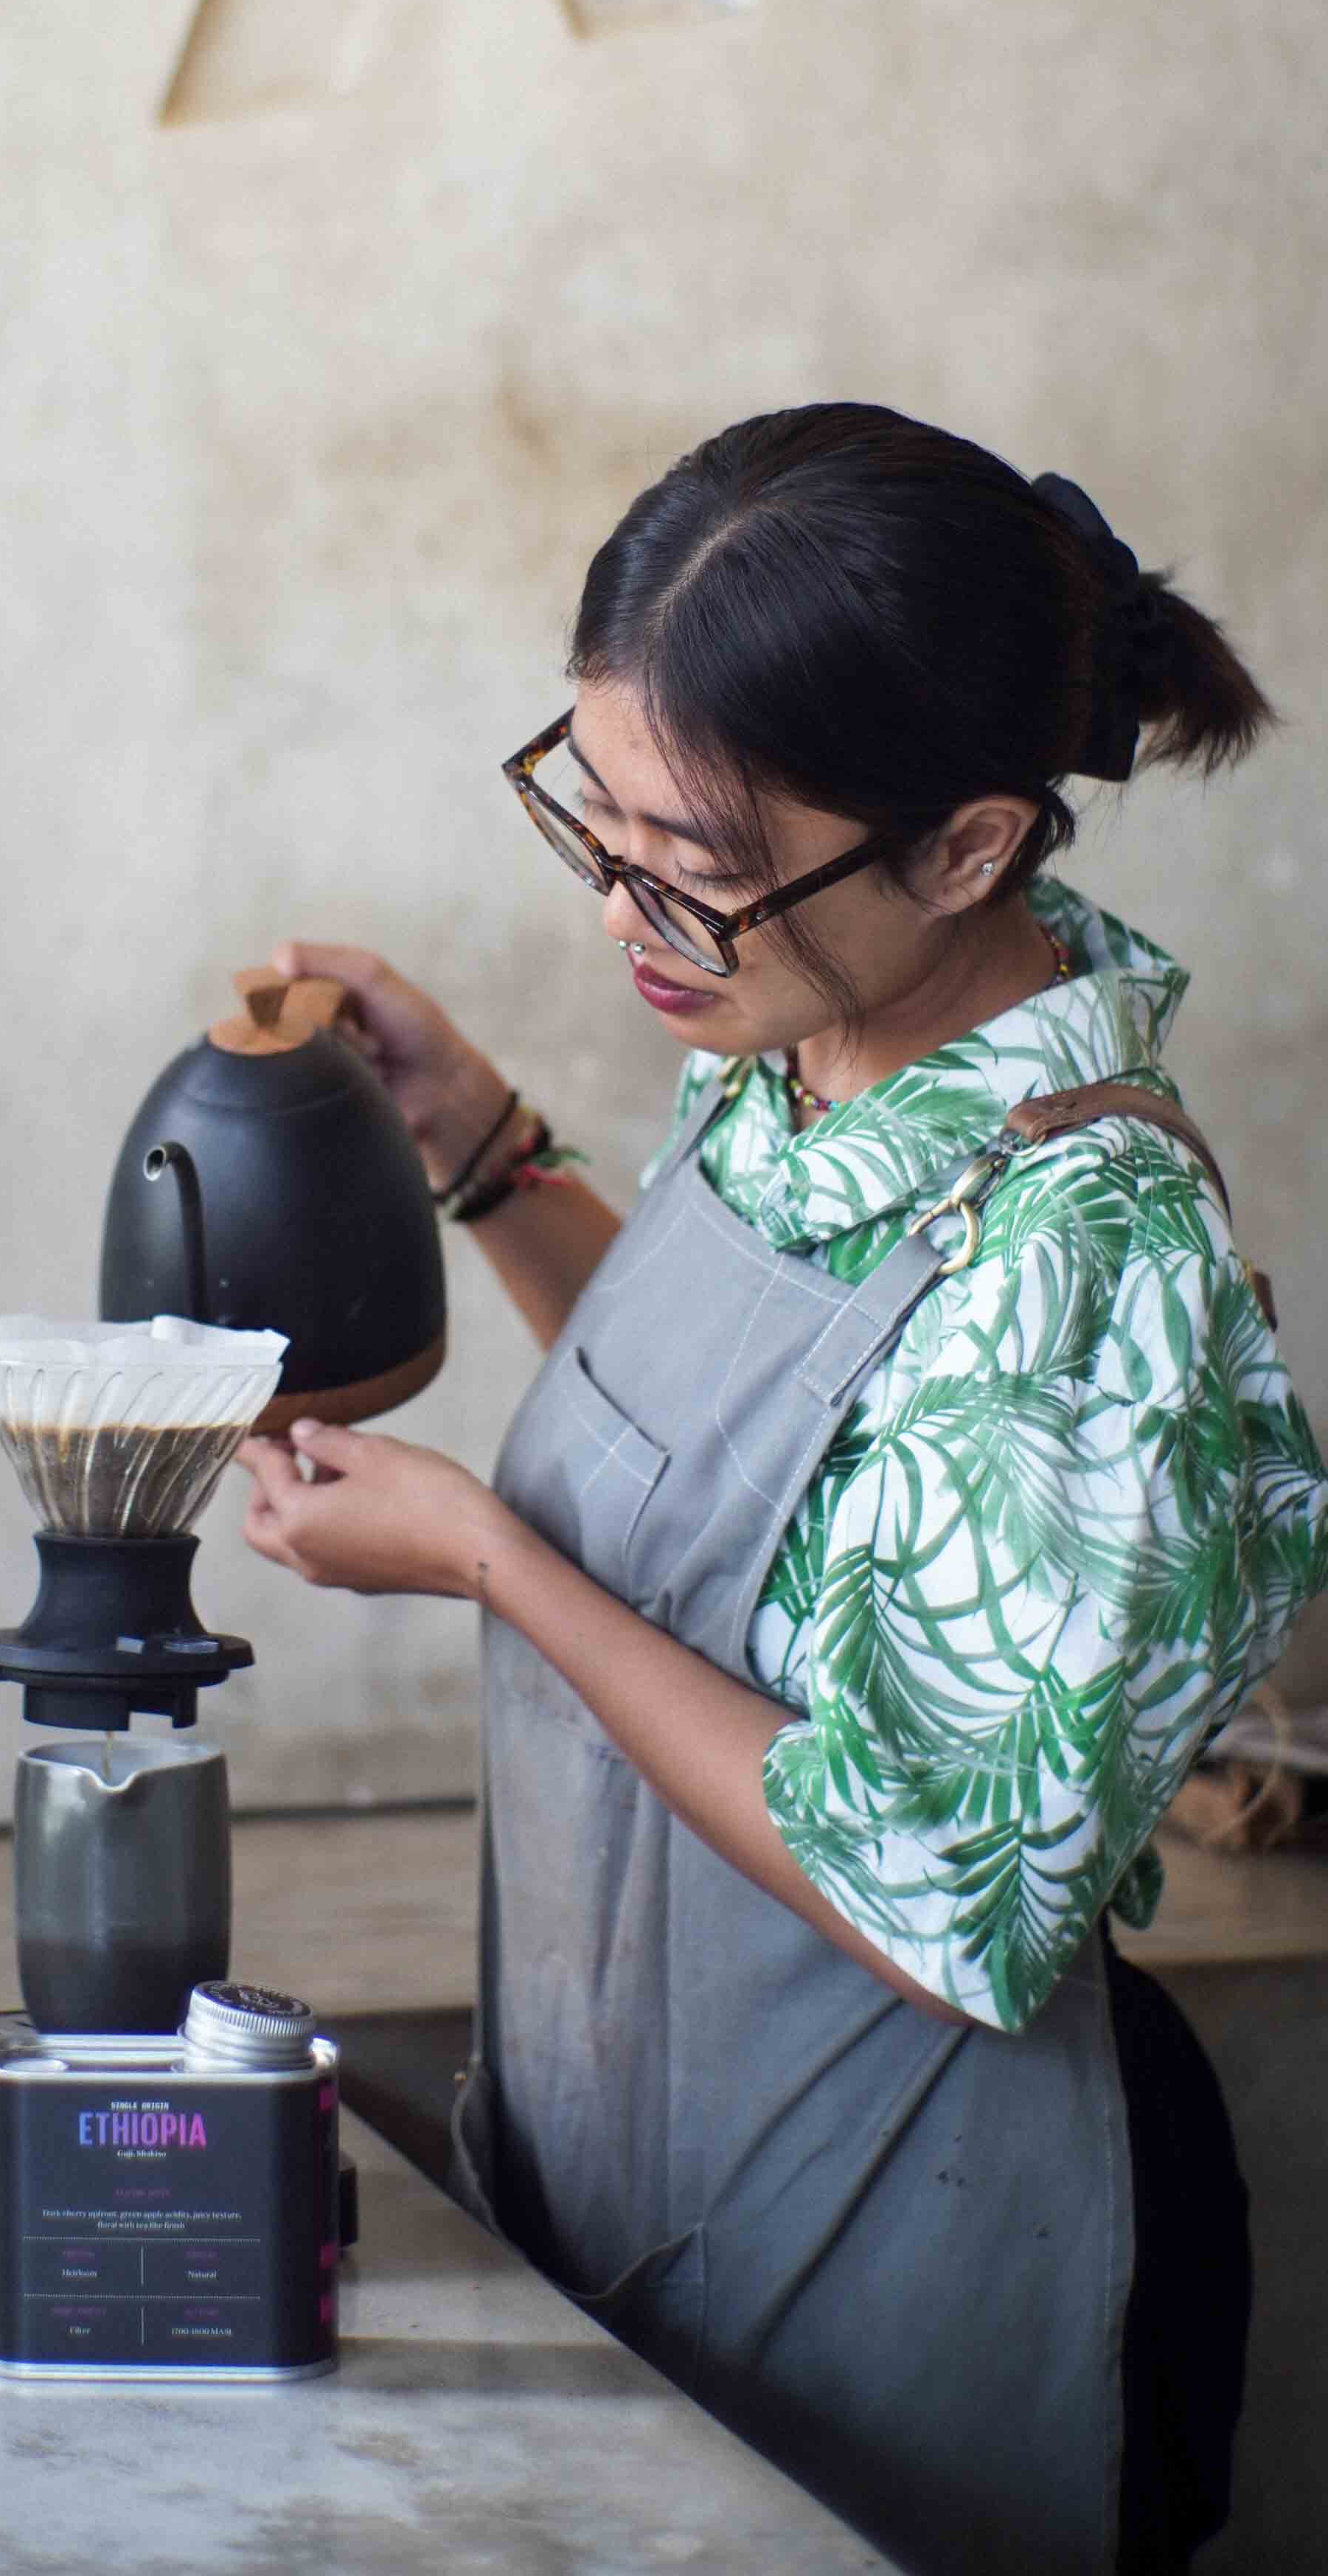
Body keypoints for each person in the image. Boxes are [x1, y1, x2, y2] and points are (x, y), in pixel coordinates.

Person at [235, 404, 1328, 2576]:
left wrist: (481, 1559)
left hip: (909, 2240)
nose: (638, 915)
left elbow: (936, 1895)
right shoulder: (805, 1049)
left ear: (967, 843)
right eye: (599, 817)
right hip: (659, 2167)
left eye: (700, 867)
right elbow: (738, 1465)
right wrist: (479, 1147)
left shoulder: (1089, 1259)